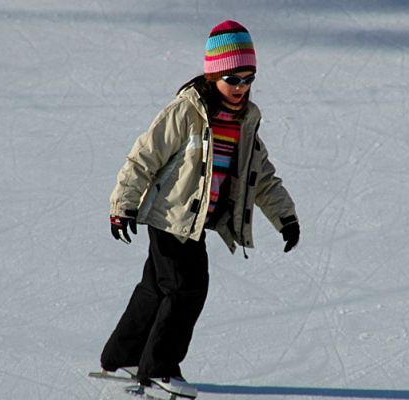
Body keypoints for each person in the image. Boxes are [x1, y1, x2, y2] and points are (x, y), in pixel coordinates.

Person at [99, 20, 299, 398]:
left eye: (248, 77)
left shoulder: (245, 122)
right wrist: (123, 205)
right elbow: (144, 157)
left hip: (196, 222)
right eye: (232, 78)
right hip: (170, 218)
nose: (241, 87)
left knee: (156, 288)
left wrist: (285, 217)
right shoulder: (187, 112)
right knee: (187, 288)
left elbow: (263, 176)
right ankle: (158, 368)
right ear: (213, 75)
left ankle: (121, 355)